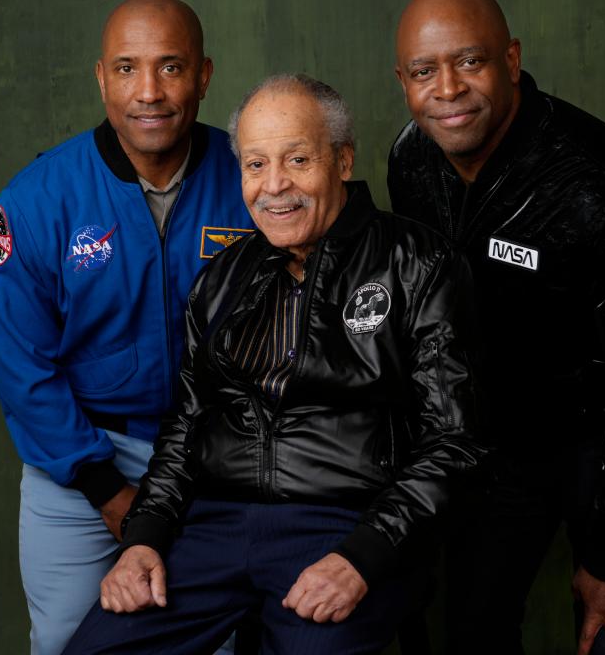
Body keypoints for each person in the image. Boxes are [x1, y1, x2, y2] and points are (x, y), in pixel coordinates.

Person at [62, 74, 487, 655]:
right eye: (255, 165)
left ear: (342, 160)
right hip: (213, 528)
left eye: (298, 159)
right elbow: (185, 429)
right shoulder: (221, 279)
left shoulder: (418, 264)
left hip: (347, 524)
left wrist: (363, 555)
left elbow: (455, 443)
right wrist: (144, 540)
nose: (275, 186)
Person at [388, 0, 605, 655]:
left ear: (511, 59)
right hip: (497, 445)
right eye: (424, 71)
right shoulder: (412, 160)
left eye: (470, 62)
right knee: (472, 634)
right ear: (404, 81)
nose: (447, 89)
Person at [0, 0, 254, 655]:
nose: (149, 92)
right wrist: (105, 490)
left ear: (205, 76)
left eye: (171, 67)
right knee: (70, 642)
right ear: (101, 78)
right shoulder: (37, 201)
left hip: (218, 463)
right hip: (79, 466)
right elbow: (22, 367)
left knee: (218, 643)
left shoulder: (251, 177)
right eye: (128, 69)